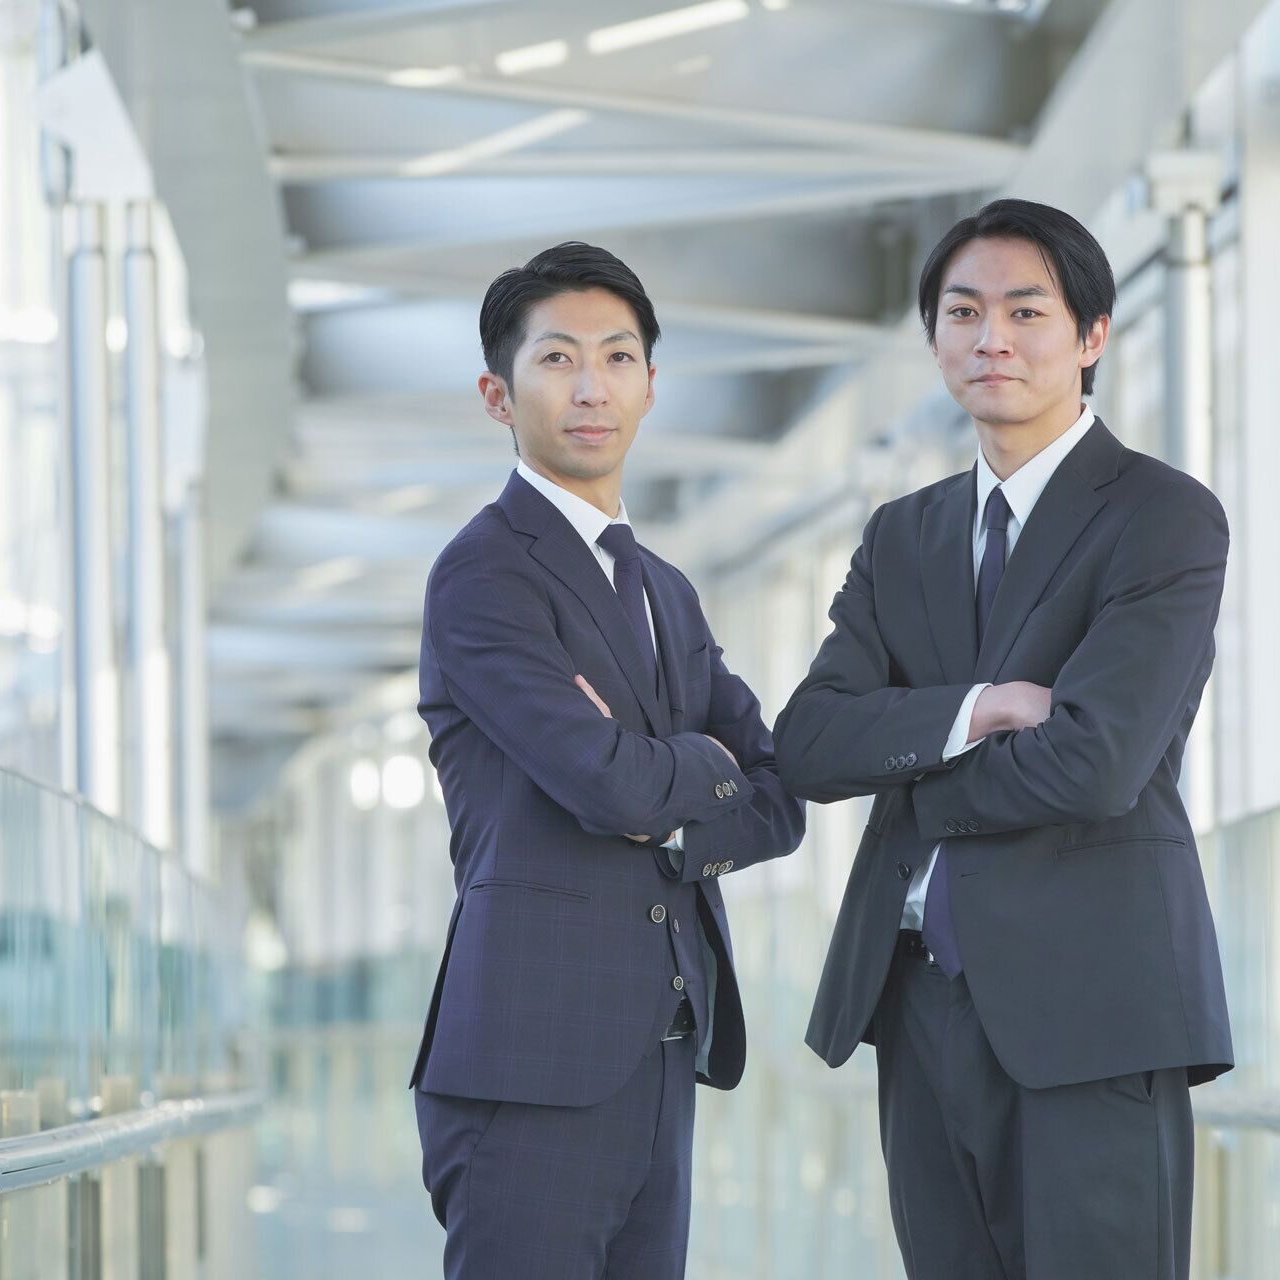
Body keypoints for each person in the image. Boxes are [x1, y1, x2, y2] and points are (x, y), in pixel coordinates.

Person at [775, 198, 1233, 1279]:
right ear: (934, 338)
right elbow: (807, 742)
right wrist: (975, 710)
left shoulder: (1162, 516)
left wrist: (912, 777)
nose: (992, 339)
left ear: (1092, 336)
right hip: (918, 999)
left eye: (1026, 311)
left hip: (1093, 1007)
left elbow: (1097, 760)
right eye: (963, 312)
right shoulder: (905, 534)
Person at [411, 241, 807, 1279]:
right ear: (498, 392)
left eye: (617, 357)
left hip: (660, 1050)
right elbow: (603, 780)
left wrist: (661, 774)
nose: (591, 387)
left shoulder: (664, 588)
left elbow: (778, 797)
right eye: (556, 360)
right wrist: (690, 763)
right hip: (529, 1066)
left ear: (650, 383)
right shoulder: (483, 575)